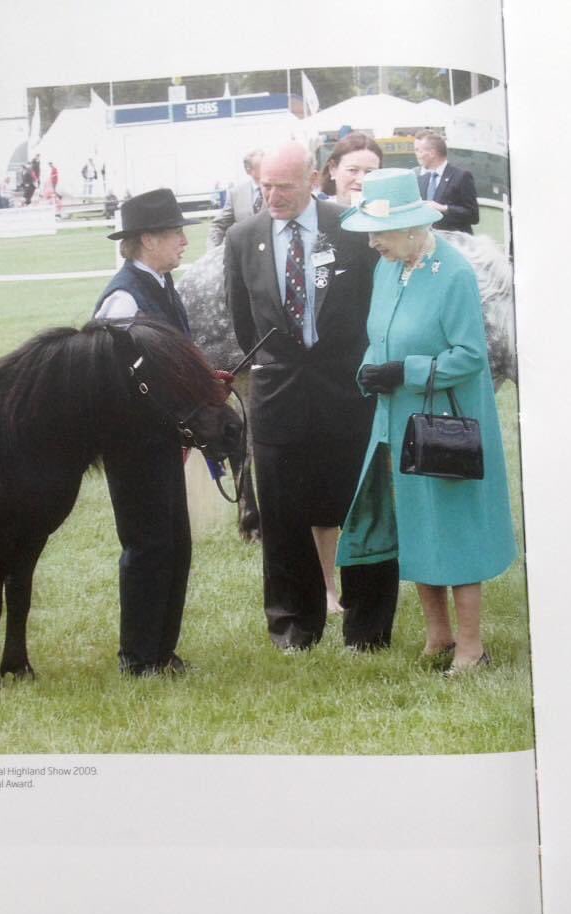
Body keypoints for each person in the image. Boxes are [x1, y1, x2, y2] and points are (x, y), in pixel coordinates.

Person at [337, 167, 515, 673]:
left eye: (380, 232)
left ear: (414, 227)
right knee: (416, 528)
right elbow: (380, 337)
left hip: (444, 426)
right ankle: (437, 635)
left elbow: (470, 356)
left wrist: (408, 370)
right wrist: (369, 372)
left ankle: (471, 645)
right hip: (396, 421)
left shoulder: (454, 272)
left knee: (453, 529)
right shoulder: (388, 269)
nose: (372, 243)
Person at [224, 141, 399, 652]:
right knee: (281, 516)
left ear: (312, 179)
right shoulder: (243, 237)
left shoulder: (349, 227)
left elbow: (373, 308)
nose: (273, 196)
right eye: (265, 187)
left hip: (348, 392)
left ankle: (367, 628)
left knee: (362, 510)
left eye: (283, 186)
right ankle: (294, 625)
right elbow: (244, 322)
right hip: (278, 396)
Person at [93, 188, 202, 676]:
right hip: (134, 442)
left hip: (163, 437)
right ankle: (137, 656)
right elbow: (109, 377)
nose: (183, 240)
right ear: (148, 239)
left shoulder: (161, 283)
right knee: (148, 546)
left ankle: (161, 649)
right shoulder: (123, 297)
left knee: (175, 543)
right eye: (175, 232)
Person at [307, 132, 384, 611]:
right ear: (333, 170)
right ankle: (328, 587)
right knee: (325, 490)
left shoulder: (388, 227)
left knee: (371, 487)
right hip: (323, 380)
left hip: (375, 374)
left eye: (371, 170)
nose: (361, 178)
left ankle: (373, 585)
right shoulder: (317, 229)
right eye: (353, 168)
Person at [413, 131, 479, 234]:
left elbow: (473, 216)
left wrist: (444, 208)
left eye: (418, 151)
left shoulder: (461, 176)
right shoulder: (418, 177)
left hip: (454, 243)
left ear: (432, 153)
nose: (417, 155)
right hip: (427, 244)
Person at [207, 148, 264, 248]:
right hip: (246, 256)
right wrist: (212, 250)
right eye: (262, 165)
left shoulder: (279, 189)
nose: (268, 168)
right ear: (249, 170)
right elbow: (218, 226)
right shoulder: (236, 194)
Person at [318, 132, 383, 206]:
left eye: (369, 172)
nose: (361, 181)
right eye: (352, 170)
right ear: (333, 169)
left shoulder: (389, 214)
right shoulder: (316, 214)